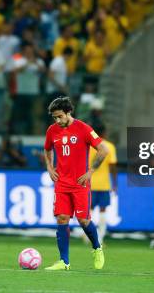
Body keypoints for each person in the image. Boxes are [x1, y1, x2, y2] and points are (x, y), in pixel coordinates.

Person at [43, 97, 109, 270]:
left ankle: (97, 248)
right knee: (62, 218)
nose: (57, 120)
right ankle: (64, 261)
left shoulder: (83, 128)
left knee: (83, 220)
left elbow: (104, 149)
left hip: (80, 183)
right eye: (54, 117)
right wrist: (50, 167)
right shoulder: (52, 130)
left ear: (68, 112)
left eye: (59, 116)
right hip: (61, 183)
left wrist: (91, 171)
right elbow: (47, 148)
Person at [88, 123, 118, 242]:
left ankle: (87, 235)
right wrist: (115, 183)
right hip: (104, 184)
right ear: (104, 133)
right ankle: (100, 237)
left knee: (88, 210)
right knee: (102, 210)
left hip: (89, 183)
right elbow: (113, 166)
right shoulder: (109, 146)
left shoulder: (89, 146)